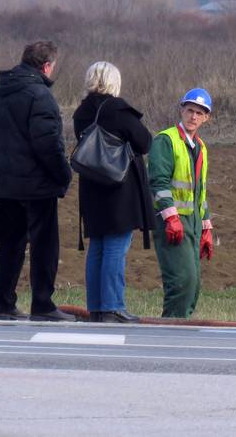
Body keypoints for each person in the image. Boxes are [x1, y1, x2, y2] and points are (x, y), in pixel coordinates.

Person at [0, 40, 75, 321]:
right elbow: (48, 145)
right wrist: (64, 174)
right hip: (37, 184)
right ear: (47, 66)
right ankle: (43, 304)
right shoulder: (41, 96)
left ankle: (4, 303)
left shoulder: (1, 91)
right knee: (44, 245)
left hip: (7, 180)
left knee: (11, 242)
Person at [73, 61, 155, 324]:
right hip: (119, 190)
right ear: (113, 82)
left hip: (92, 187)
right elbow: (144, 142)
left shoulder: (81, 112)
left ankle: (96, 308)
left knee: (97, 246)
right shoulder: (118, 110)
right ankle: (113, 306)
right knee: (115, 248)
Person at [148, 88, 215, 318]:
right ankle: (170, 331)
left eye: (199, 113)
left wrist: (206, 227)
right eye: (189, 111)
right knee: (182, 281)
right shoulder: (166, 140)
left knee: (193, 283)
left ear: (206, 117)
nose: (193, 117)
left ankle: (180, 326)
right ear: (181, 110)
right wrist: (171, 217)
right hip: (172, 222)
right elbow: (158, 182)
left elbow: (200, 192)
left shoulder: (201, 147)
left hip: (193, 223)